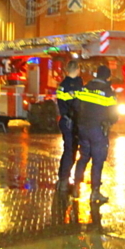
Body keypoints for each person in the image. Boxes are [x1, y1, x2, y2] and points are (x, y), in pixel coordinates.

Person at [73, 65, 118, 203]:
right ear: (107, 77)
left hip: (83, 128)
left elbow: (75, 105)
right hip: (97, 130)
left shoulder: (85, 88)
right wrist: (108, 122)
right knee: (97, 161)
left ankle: (75, 187)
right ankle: (95, 193)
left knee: (84, 157)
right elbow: (114, 116)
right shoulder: (108, 92)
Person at [55, 60, 83, 191]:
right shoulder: (77, 85)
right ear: (77, 69)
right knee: (70, 151)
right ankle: (64, 181)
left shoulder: (63, 84)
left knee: (69, 150)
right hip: (71, 121)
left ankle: (62, 178)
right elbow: (78, 104)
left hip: (66, 120)